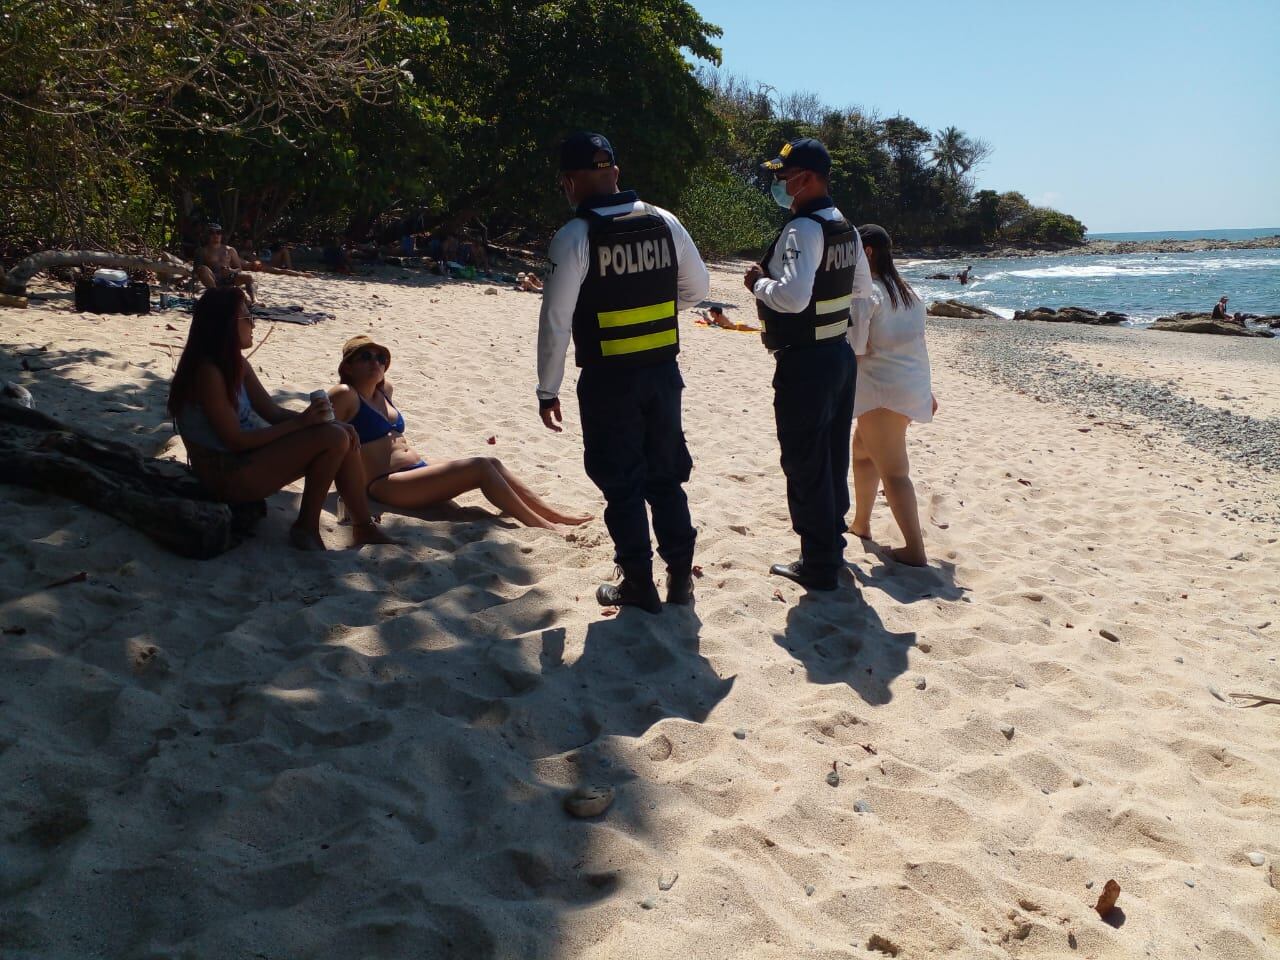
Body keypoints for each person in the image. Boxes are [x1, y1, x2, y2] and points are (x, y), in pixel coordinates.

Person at [537, 131, 710, 613]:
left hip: (609, 380)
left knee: (622, 484)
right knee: (666, 477)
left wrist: (547, 389)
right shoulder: (664, 221)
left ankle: (638, 583)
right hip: (663, 374)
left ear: (569, 182)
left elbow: (556, 322)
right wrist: (651, 308)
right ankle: (680, 579)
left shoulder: (575, 236)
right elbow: (697, 290)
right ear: (615, 172)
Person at [167, 288, 394, 550]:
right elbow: (235, 441)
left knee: (340, 432)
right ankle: (312, 527)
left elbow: (272, 412)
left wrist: (324, 421)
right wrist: (302, 424)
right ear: (226, 324)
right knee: (334, 437)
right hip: (224, 476)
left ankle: (358, 527)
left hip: (245, 461)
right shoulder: (208, 372)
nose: (254, 324)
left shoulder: (236, 364)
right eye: (247, 317)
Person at [745, 137, 871, 592]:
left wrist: (759, 284)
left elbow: (794, 298)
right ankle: (830, 547)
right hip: (839, 356)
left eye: (785, 176)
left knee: (804, 462)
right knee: (832, 458)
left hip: (806, 363)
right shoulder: (845, 227)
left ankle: (817, 563)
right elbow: (863, 291)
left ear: (809, 179)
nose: (779, 183)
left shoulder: (803, 229)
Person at [328, 335, 590, 529]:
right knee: (480, 468)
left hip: (415, 469)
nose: (376, 362)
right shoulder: (345, 395)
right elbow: (321, 438)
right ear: (347, 367)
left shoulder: (385, 391)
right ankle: (541, 524)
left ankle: (552, 514)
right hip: (385, 483)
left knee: (492, 462)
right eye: (366, 356)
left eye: (381, 358)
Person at [848, 224, 937, 567]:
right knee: (862, 451)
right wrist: (927, 392)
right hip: (908, 388)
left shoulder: (867, 293)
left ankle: (914, 550)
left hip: (882, 393)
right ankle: (861, 524)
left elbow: (856, 349)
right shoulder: (907, 292)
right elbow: (916, 345)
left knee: (895, 471)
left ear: (867, 252)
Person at [195, 224, 257, 304]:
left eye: (218, 232)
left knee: (249, 277)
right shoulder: (202, 251)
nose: (215, 235)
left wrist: (231, 271)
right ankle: (216, 295)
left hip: (229, 278)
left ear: (221, 235)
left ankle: (255, 300)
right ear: (208, 235)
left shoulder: (230, 250)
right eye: (212, 232)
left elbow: (239, 268)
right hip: (213, 279)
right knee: (203, 269)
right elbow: (197, 270)